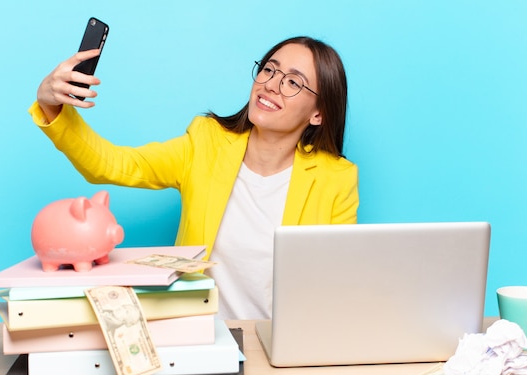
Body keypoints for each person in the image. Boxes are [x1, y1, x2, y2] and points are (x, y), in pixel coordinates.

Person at [30, 36, 359, 320]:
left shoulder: (336, 179)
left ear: (319, 113)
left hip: (285, 346)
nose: (271, 84)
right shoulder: (206, 142)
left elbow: (339, 283)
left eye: (293, 82)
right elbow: (111, 164)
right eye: (270, 69)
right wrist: (52, 107)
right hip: (200, 334)